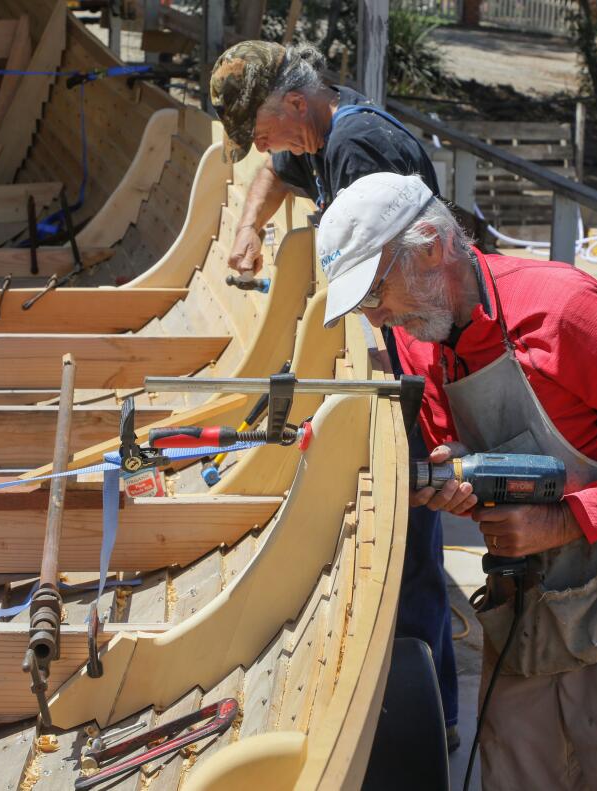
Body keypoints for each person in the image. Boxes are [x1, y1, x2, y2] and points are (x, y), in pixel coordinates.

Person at [317, 171, 597, 790]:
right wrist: (451, 477)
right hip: (535, 612)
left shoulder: (561, 311)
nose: (377, 315)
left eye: (376, 291)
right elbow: (452, 445)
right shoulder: (422, 337)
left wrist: (567, 518)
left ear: (431, 247)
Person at [208, 40, 463, 750]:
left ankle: (429, 713)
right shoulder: (317, 134)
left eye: (258, 128)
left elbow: (383, 272)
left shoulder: (357, 150)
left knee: (411, 538)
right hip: (389, 353)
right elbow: (273, 172)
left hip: (407, 360)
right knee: (409, 532)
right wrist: (248, 228)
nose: (260, 147)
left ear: (293, 105)